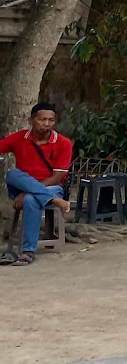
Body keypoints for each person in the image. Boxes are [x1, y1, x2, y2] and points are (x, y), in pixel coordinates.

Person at [1, 103, 73, 267]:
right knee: (12, 173)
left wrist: (28, 191)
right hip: (25, 187)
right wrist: (28, 189)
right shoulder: (19, 138)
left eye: (51, 120)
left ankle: (27, 252)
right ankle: (55, 201)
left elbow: (57, 177)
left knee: (30, 200)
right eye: (42, 120)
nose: (46, 124)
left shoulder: (63, 143)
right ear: (31, 120)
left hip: (52, 187)